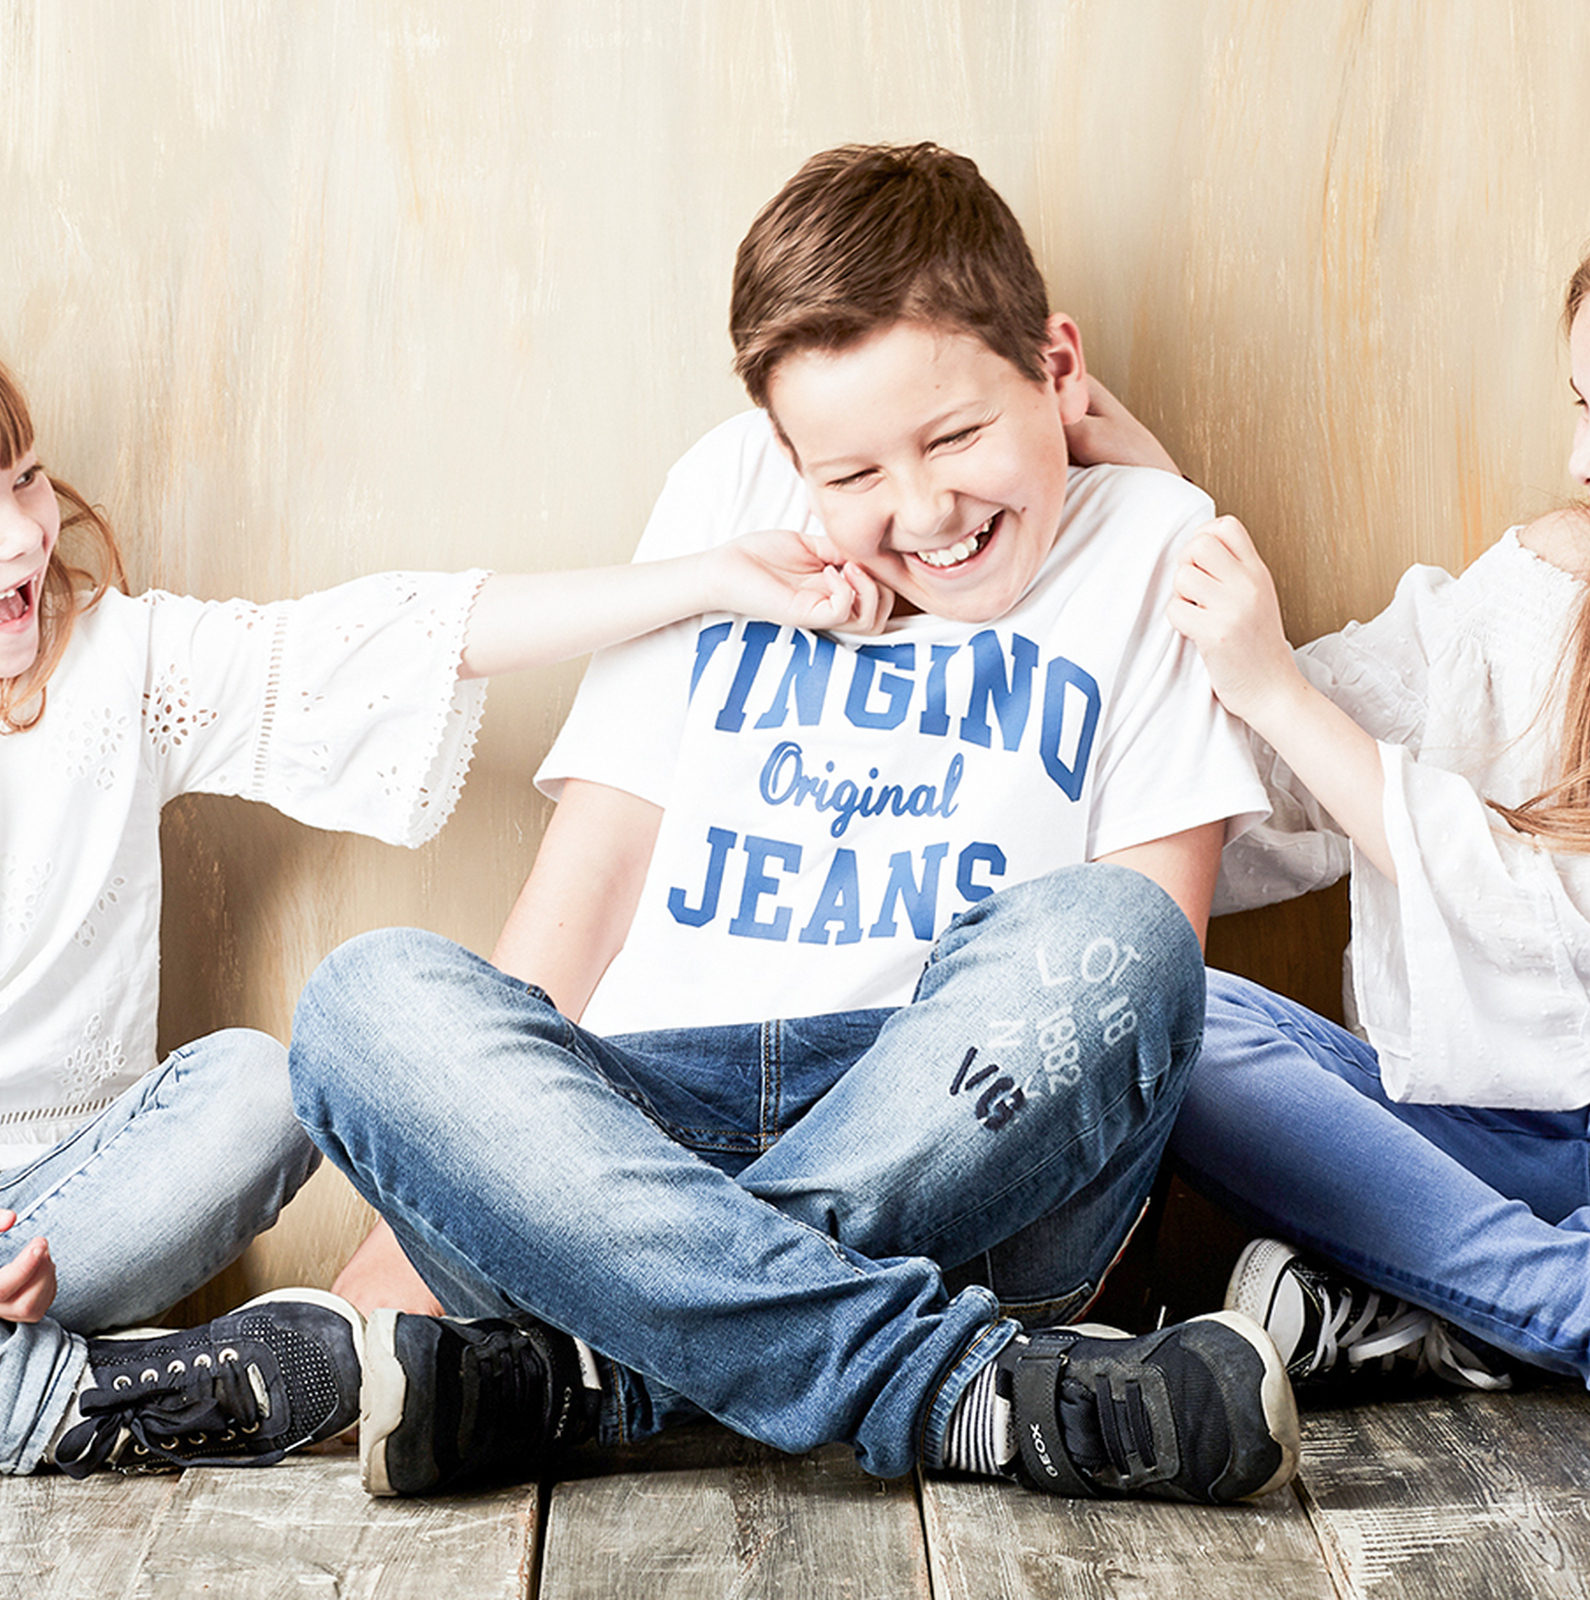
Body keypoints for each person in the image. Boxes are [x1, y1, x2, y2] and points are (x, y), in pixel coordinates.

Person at [290, 141, 1300, 1506]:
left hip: (956, 1149)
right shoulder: (725, 496)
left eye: (957, 437)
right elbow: (589, 887)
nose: (924, 511)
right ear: (784, 451)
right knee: (365, 1002)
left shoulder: (1157, 540)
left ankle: (604, 1373)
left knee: (1116, 932)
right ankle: (934, 1386)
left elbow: (1143, 979)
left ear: (1057, 367)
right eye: (853, 471)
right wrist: (415, 1223)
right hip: (625, 1147)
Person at [0, 356, 884, 1480]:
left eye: (25, 481)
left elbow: (408, 634)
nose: (23, 539)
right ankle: (63, 1403)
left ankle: (41, 1382)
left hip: (70, 1214)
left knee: (261, 1085)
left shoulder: (118, 666)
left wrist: (707, 576)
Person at [1163, 242, 1590, 1397]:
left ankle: (1490, 1296)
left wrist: (1277, 693)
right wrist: (1160, 514)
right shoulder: (1551, 576)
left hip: (1573, 1124)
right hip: (1484, 1134)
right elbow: (1330, 741)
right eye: (1579, 402)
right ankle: (1521, 1290)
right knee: (1161, 1015)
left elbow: (1537, 921)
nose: (1582, 458)